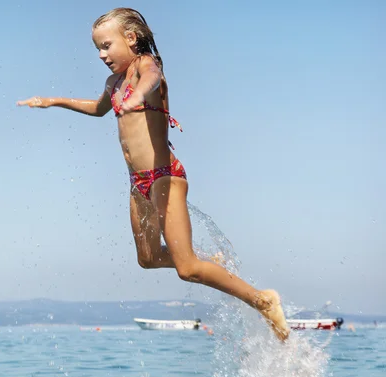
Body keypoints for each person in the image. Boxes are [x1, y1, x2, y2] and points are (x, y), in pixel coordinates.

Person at [17, 8, 289, 341]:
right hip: (138, 184)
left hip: (164, 175)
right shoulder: (113, 82)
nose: (102, 55)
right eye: (97, 49)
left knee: (186, 269)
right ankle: (209, 259)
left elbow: (153, 78)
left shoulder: (144, 66)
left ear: (130, 38)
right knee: (147, 259)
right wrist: (51, 100)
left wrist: (139, 96)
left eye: (106, 46)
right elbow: (98, 108)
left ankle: (262, 300)